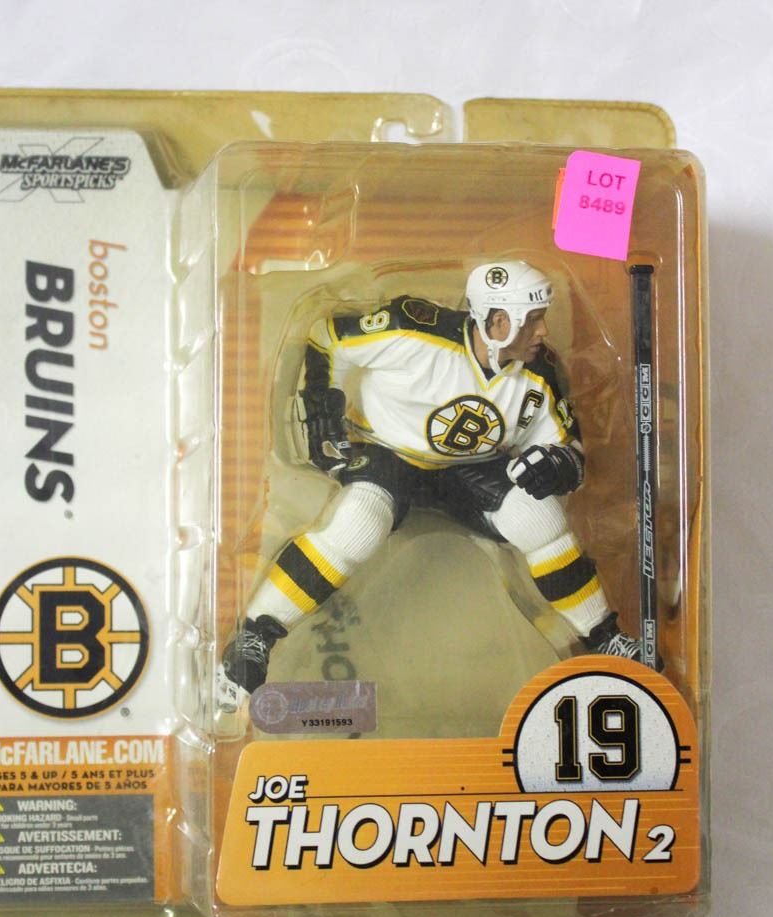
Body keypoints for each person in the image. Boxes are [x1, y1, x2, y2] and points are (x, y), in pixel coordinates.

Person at [217, 260, 646, 714]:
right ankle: (255, 635)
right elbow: (329, 337)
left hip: (471, 467)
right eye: (532, 319)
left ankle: (604, 637)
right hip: (389, 453)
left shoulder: (540, 373)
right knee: (356, 525)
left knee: (539, 518)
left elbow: (568, 450)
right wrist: (324, 406)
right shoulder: (414, 332)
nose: (542, 331)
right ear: (498, 322)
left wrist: (556, 465)